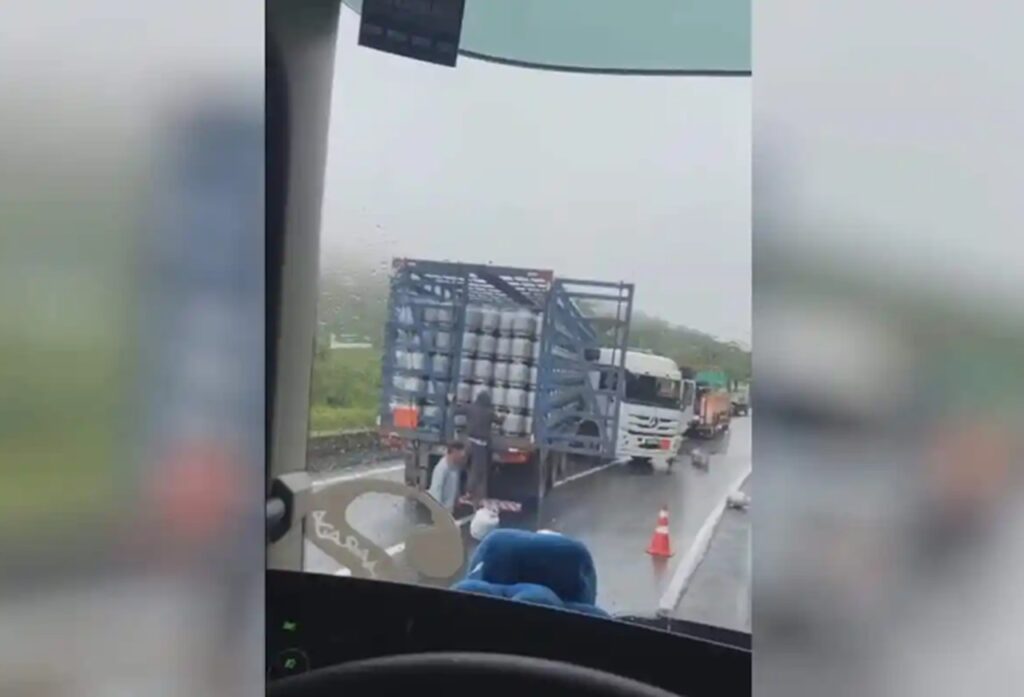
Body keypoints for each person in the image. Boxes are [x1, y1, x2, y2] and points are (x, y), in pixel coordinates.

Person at [459, 390, 502, 507]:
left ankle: (463, 490)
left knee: (465, 466)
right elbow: (499, 421)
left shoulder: (470, 408)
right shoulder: (489, 412)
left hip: (468, 443)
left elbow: (457, 411)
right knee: (478, 471)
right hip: (480, 445)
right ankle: (473, 493)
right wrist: (504, 416)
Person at [427, 442, 467, 512]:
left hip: (449, 509)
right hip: (441, 511)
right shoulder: (441, 468)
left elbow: (455, 485)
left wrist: (456, 499)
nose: (462, 458)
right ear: (454, 452)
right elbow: (436, 491)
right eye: (460, 456)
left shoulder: (456, 467)